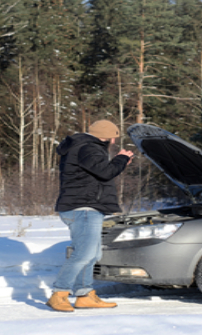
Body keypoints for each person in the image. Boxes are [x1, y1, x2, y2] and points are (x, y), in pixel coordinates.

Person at [46, 119, 134, 312]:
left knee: (93, 254)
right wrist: (121, 159)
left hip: (85, 207)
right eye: (113, 138)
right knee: (84, 254)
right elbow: (106, 172)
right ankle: (59, 293)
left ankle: (84, 295)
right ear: (108, 136)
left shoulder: (82, 146)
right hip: (83, 208)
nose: (113, 142)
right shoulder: (89, 148)